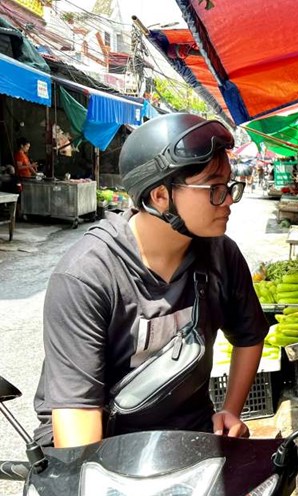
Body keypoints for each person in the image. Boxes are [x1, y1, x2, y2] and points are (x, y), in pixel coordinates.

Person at [33, 113, 267, 448]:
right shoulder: (86, 277)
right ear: (160, 196)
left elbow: (249, 335)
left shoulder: (222, 255)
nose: (228, 200)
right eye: (214, 188)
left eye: (229, 186)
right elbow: (77, 430)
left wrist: (231, 409)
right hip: (104, 443)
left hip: (188, 436)